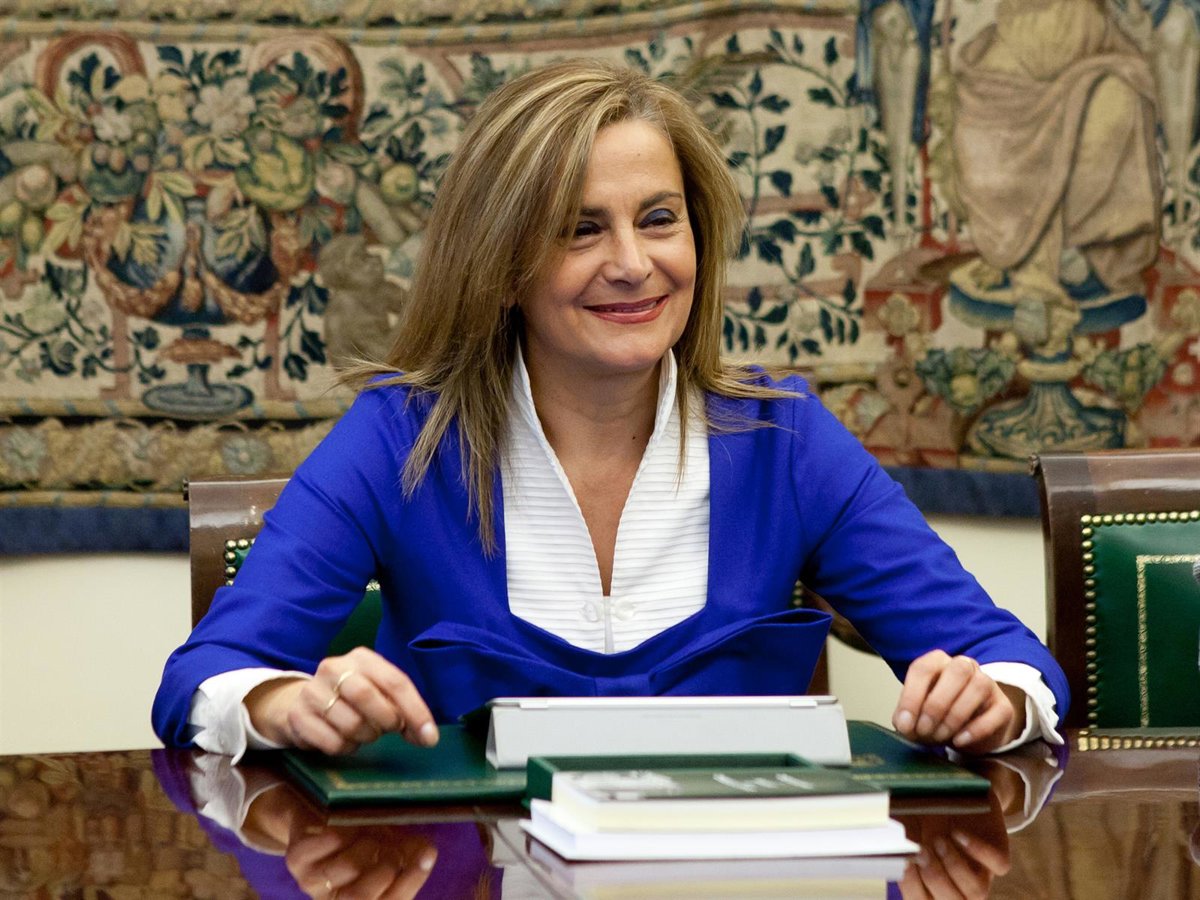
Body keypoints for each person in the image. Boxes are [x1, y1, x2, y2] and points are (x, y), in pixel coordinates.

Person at [153, 60, 1068, 762]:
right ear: (500, 266)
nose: (633, 264)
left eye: (659, 219)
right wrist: (287, 704)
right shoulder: (400, 436)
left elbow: (1015, 664)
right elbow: (202, 678)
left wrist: (989, 700)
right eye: (580, 229)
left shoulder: (783, 438)